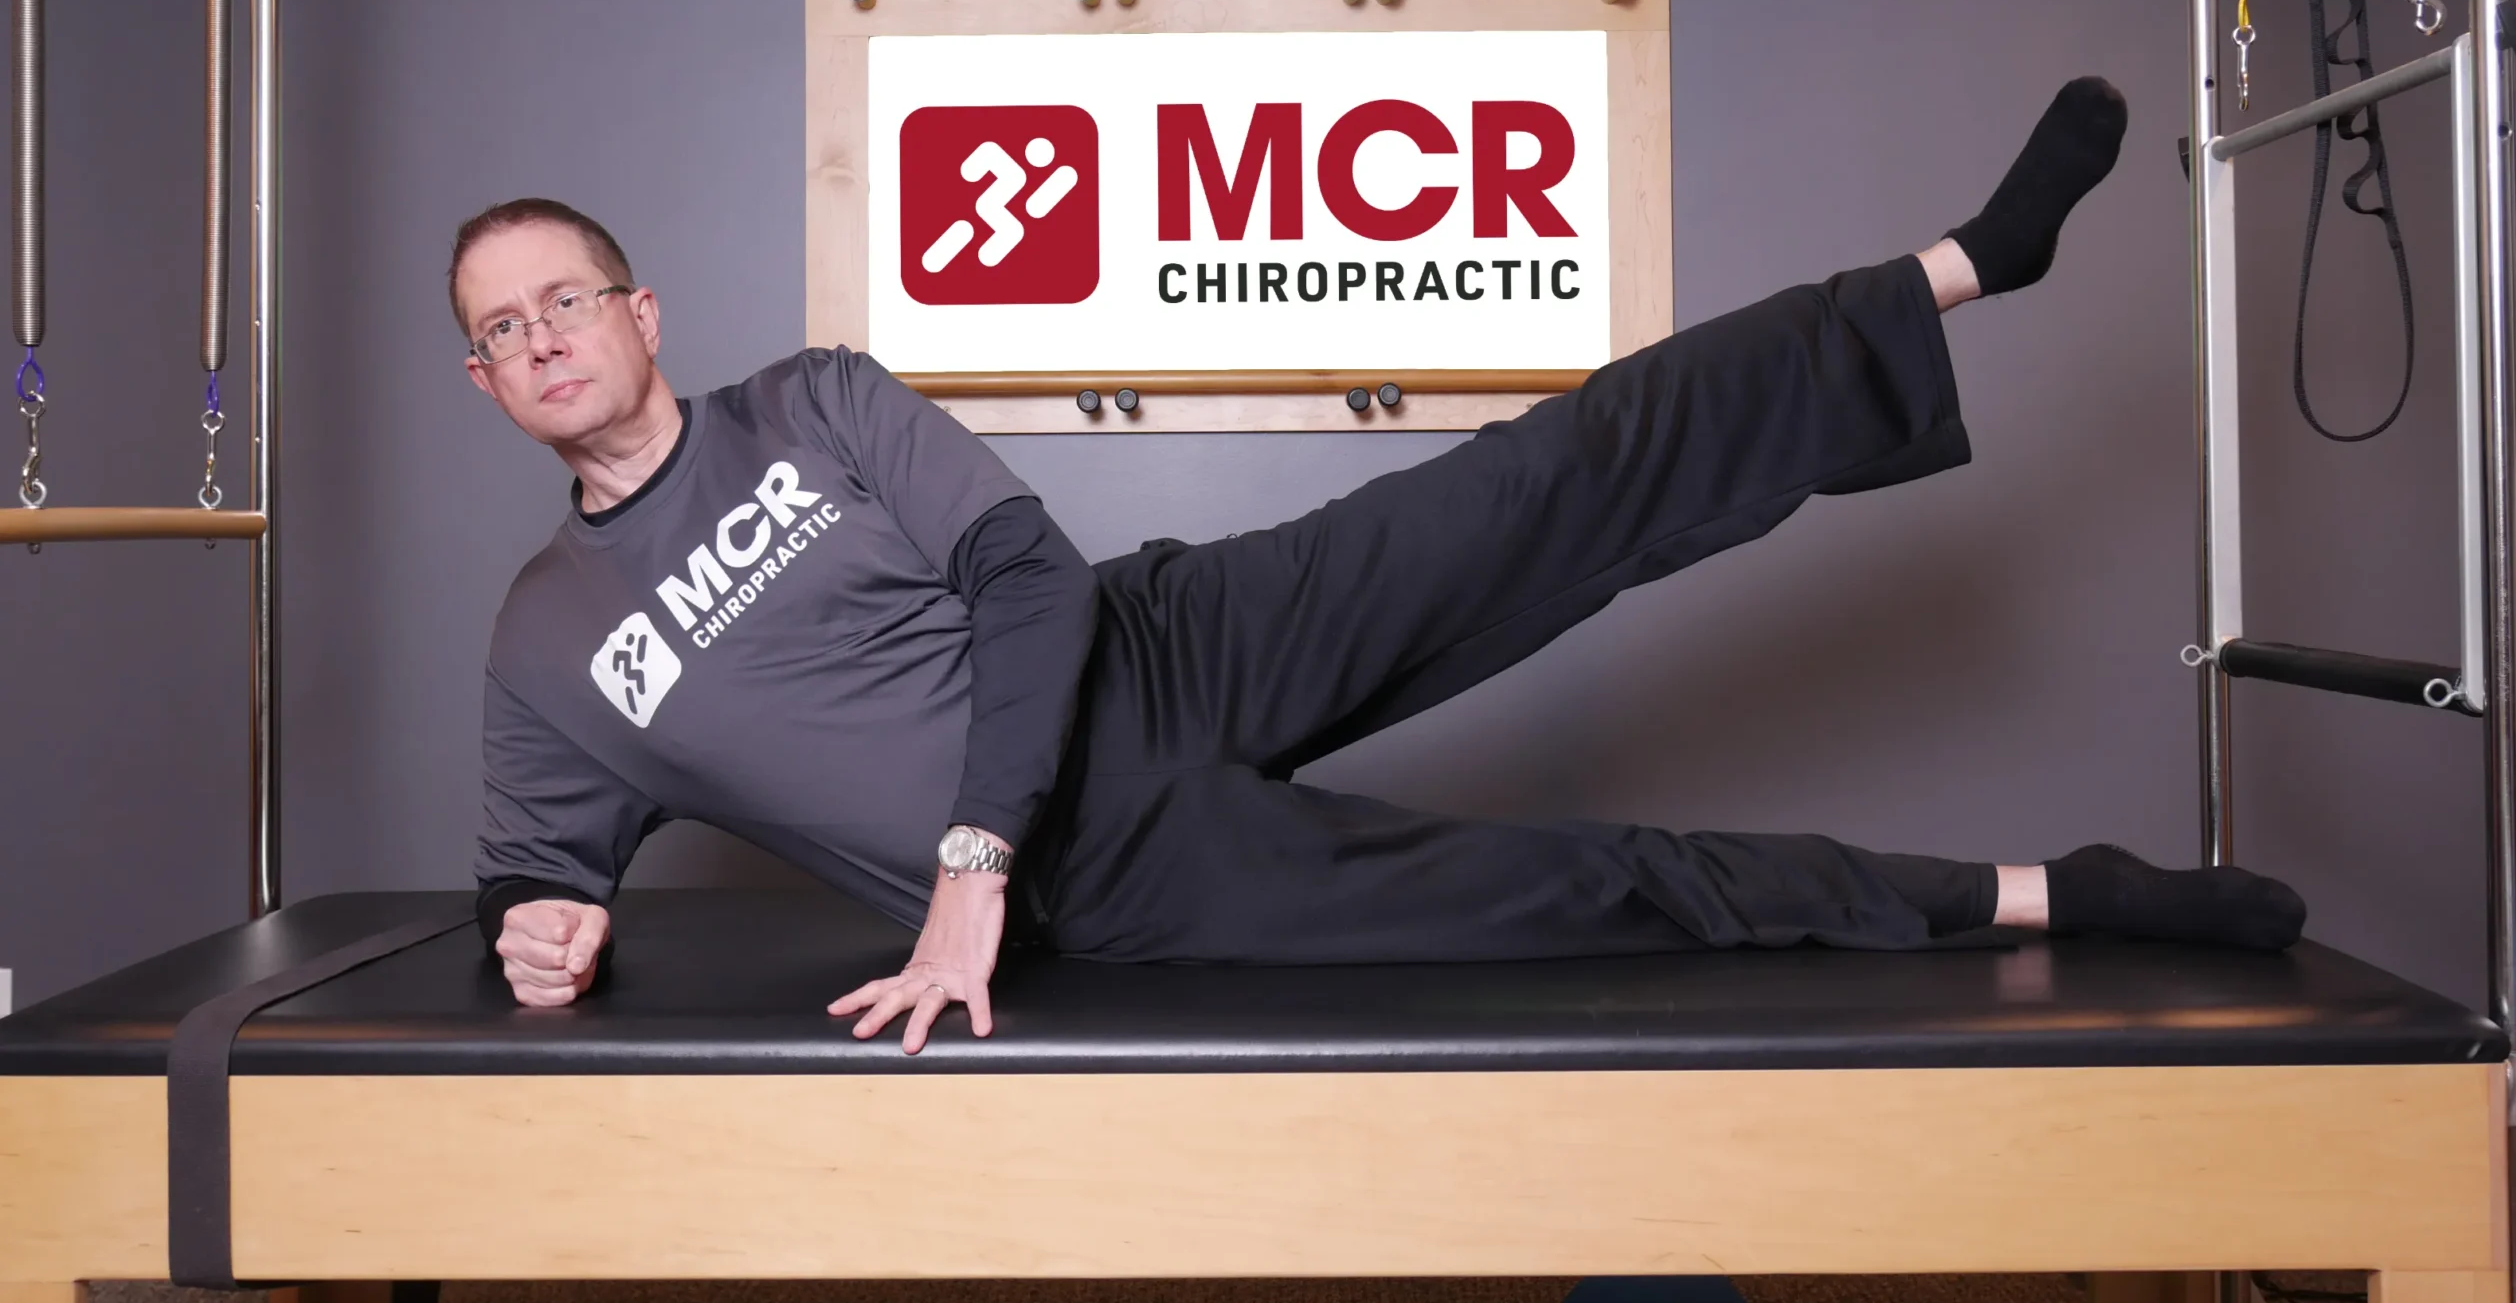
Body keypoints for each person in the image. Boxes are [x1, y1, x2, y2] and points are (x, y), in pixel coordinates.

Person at [461, 77, 2304, 1055]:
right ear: (484, 380)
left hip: (1157, 655)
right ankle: (2060, 894)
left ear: (638, 310)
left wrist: (960, 864)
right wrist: (543, 929)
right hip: (1122, 877)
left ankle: (1964, 265)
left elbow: (1027, 580)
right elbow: (534, 874)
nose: (544, 337)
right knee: (1604, 894)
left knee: (1552, 478)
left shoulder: (814, 400)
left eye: (567, 297)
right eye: (502, 327)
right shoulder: (548, 647)